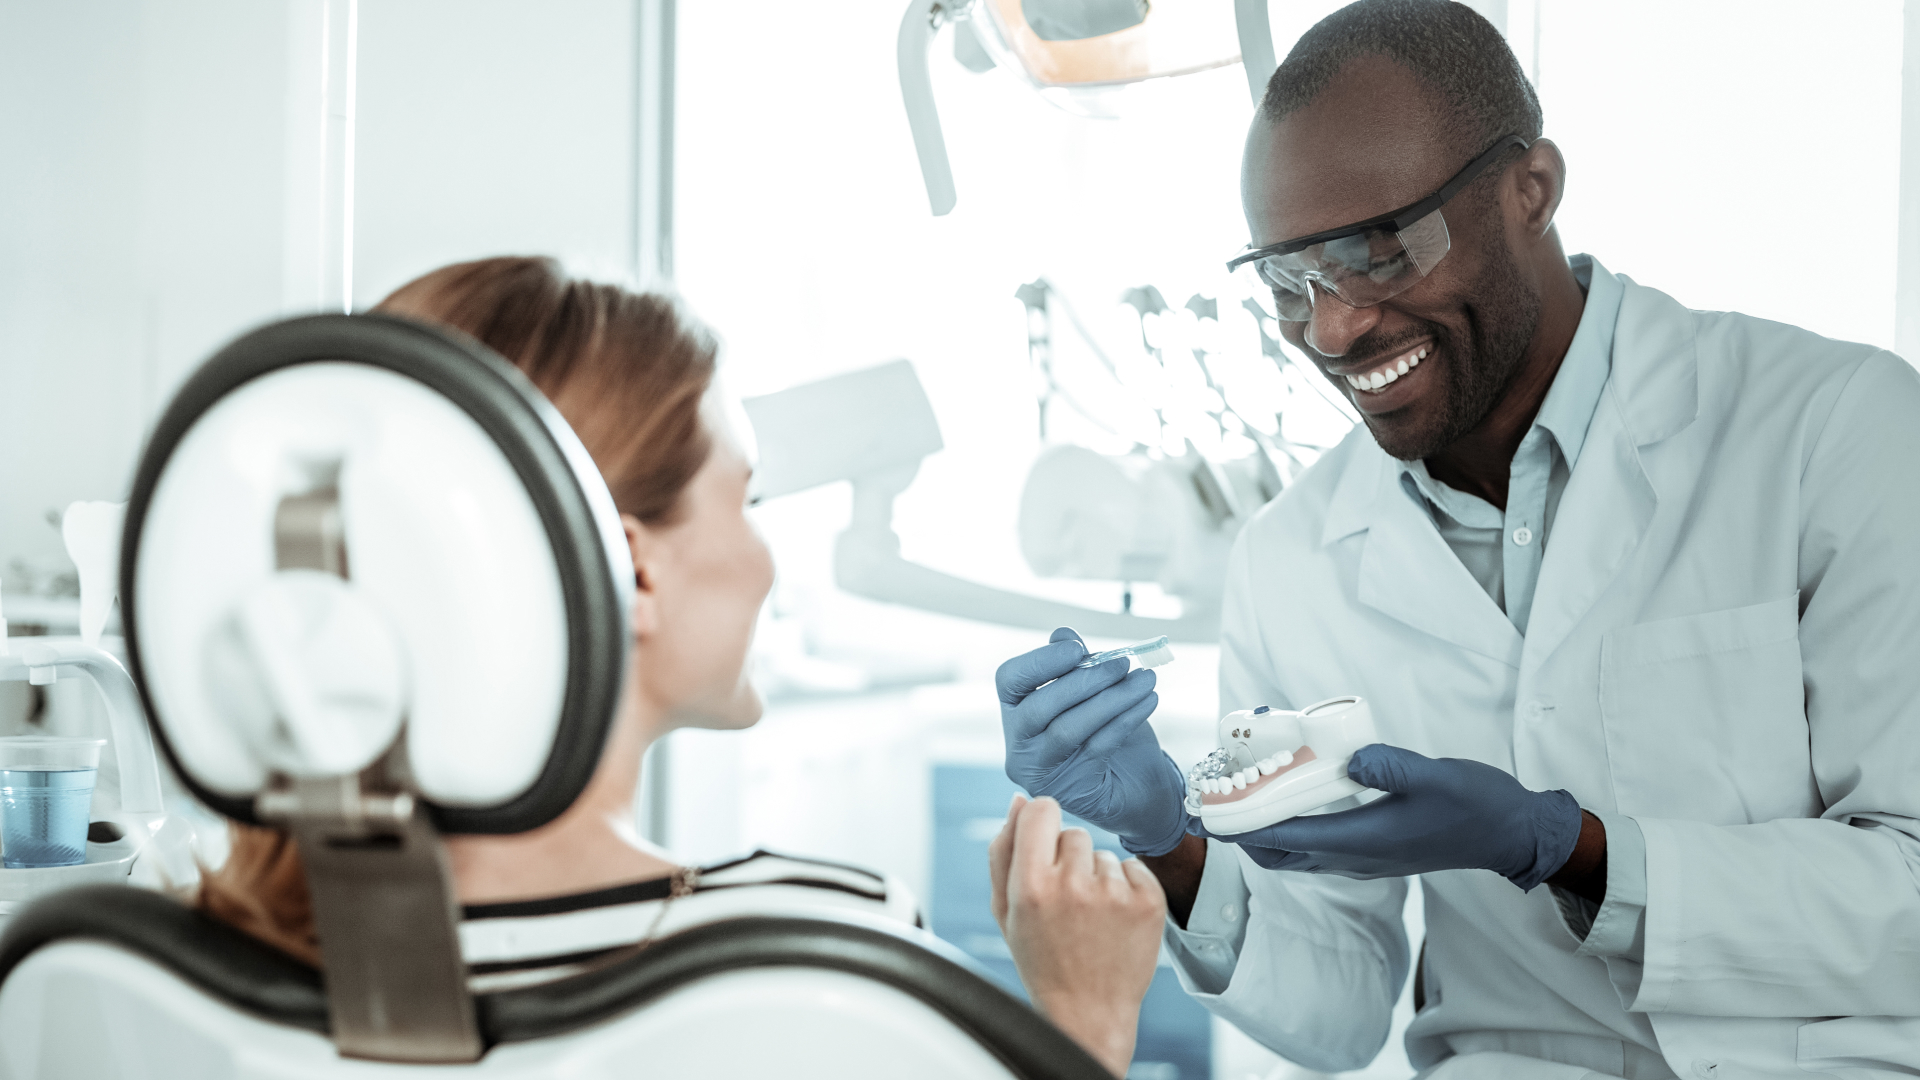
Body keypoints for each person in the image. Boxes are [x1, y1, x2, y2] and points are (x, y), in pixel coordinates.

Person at [995, 1, 1920, 1076]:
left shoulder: (1838, 429)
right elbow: (1342, 1004)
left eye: (1382, 254)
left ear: (1532, 188)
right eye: (1292, 282)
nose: (1334, 330)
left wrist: (1564, 850)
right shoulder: (1293, 559)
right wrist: (1174, 847)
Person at [194, 255, 1163, 1077]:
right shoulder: (818, 957)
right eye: (744, 501)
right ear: (635, 569)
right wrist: (1080, 1021)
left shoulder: (199, 959)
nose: (764, 558)